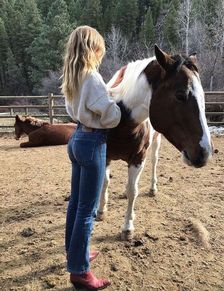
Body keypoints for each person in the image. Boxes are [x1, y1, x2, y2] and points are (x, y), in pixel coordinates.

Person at [61, 26, 121, 290]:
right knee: (87, 209)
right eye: (99, 50)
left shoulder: (71, 76)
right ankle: (81, 272)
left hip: (76, 139)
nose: (100, 55)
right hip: (93, 141)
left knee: (76, 204)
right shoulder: (93, 77)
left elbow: (77, 108)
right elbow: (110, 115)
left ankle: (74, 254)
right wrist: (115, 106)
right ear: (91, 48)